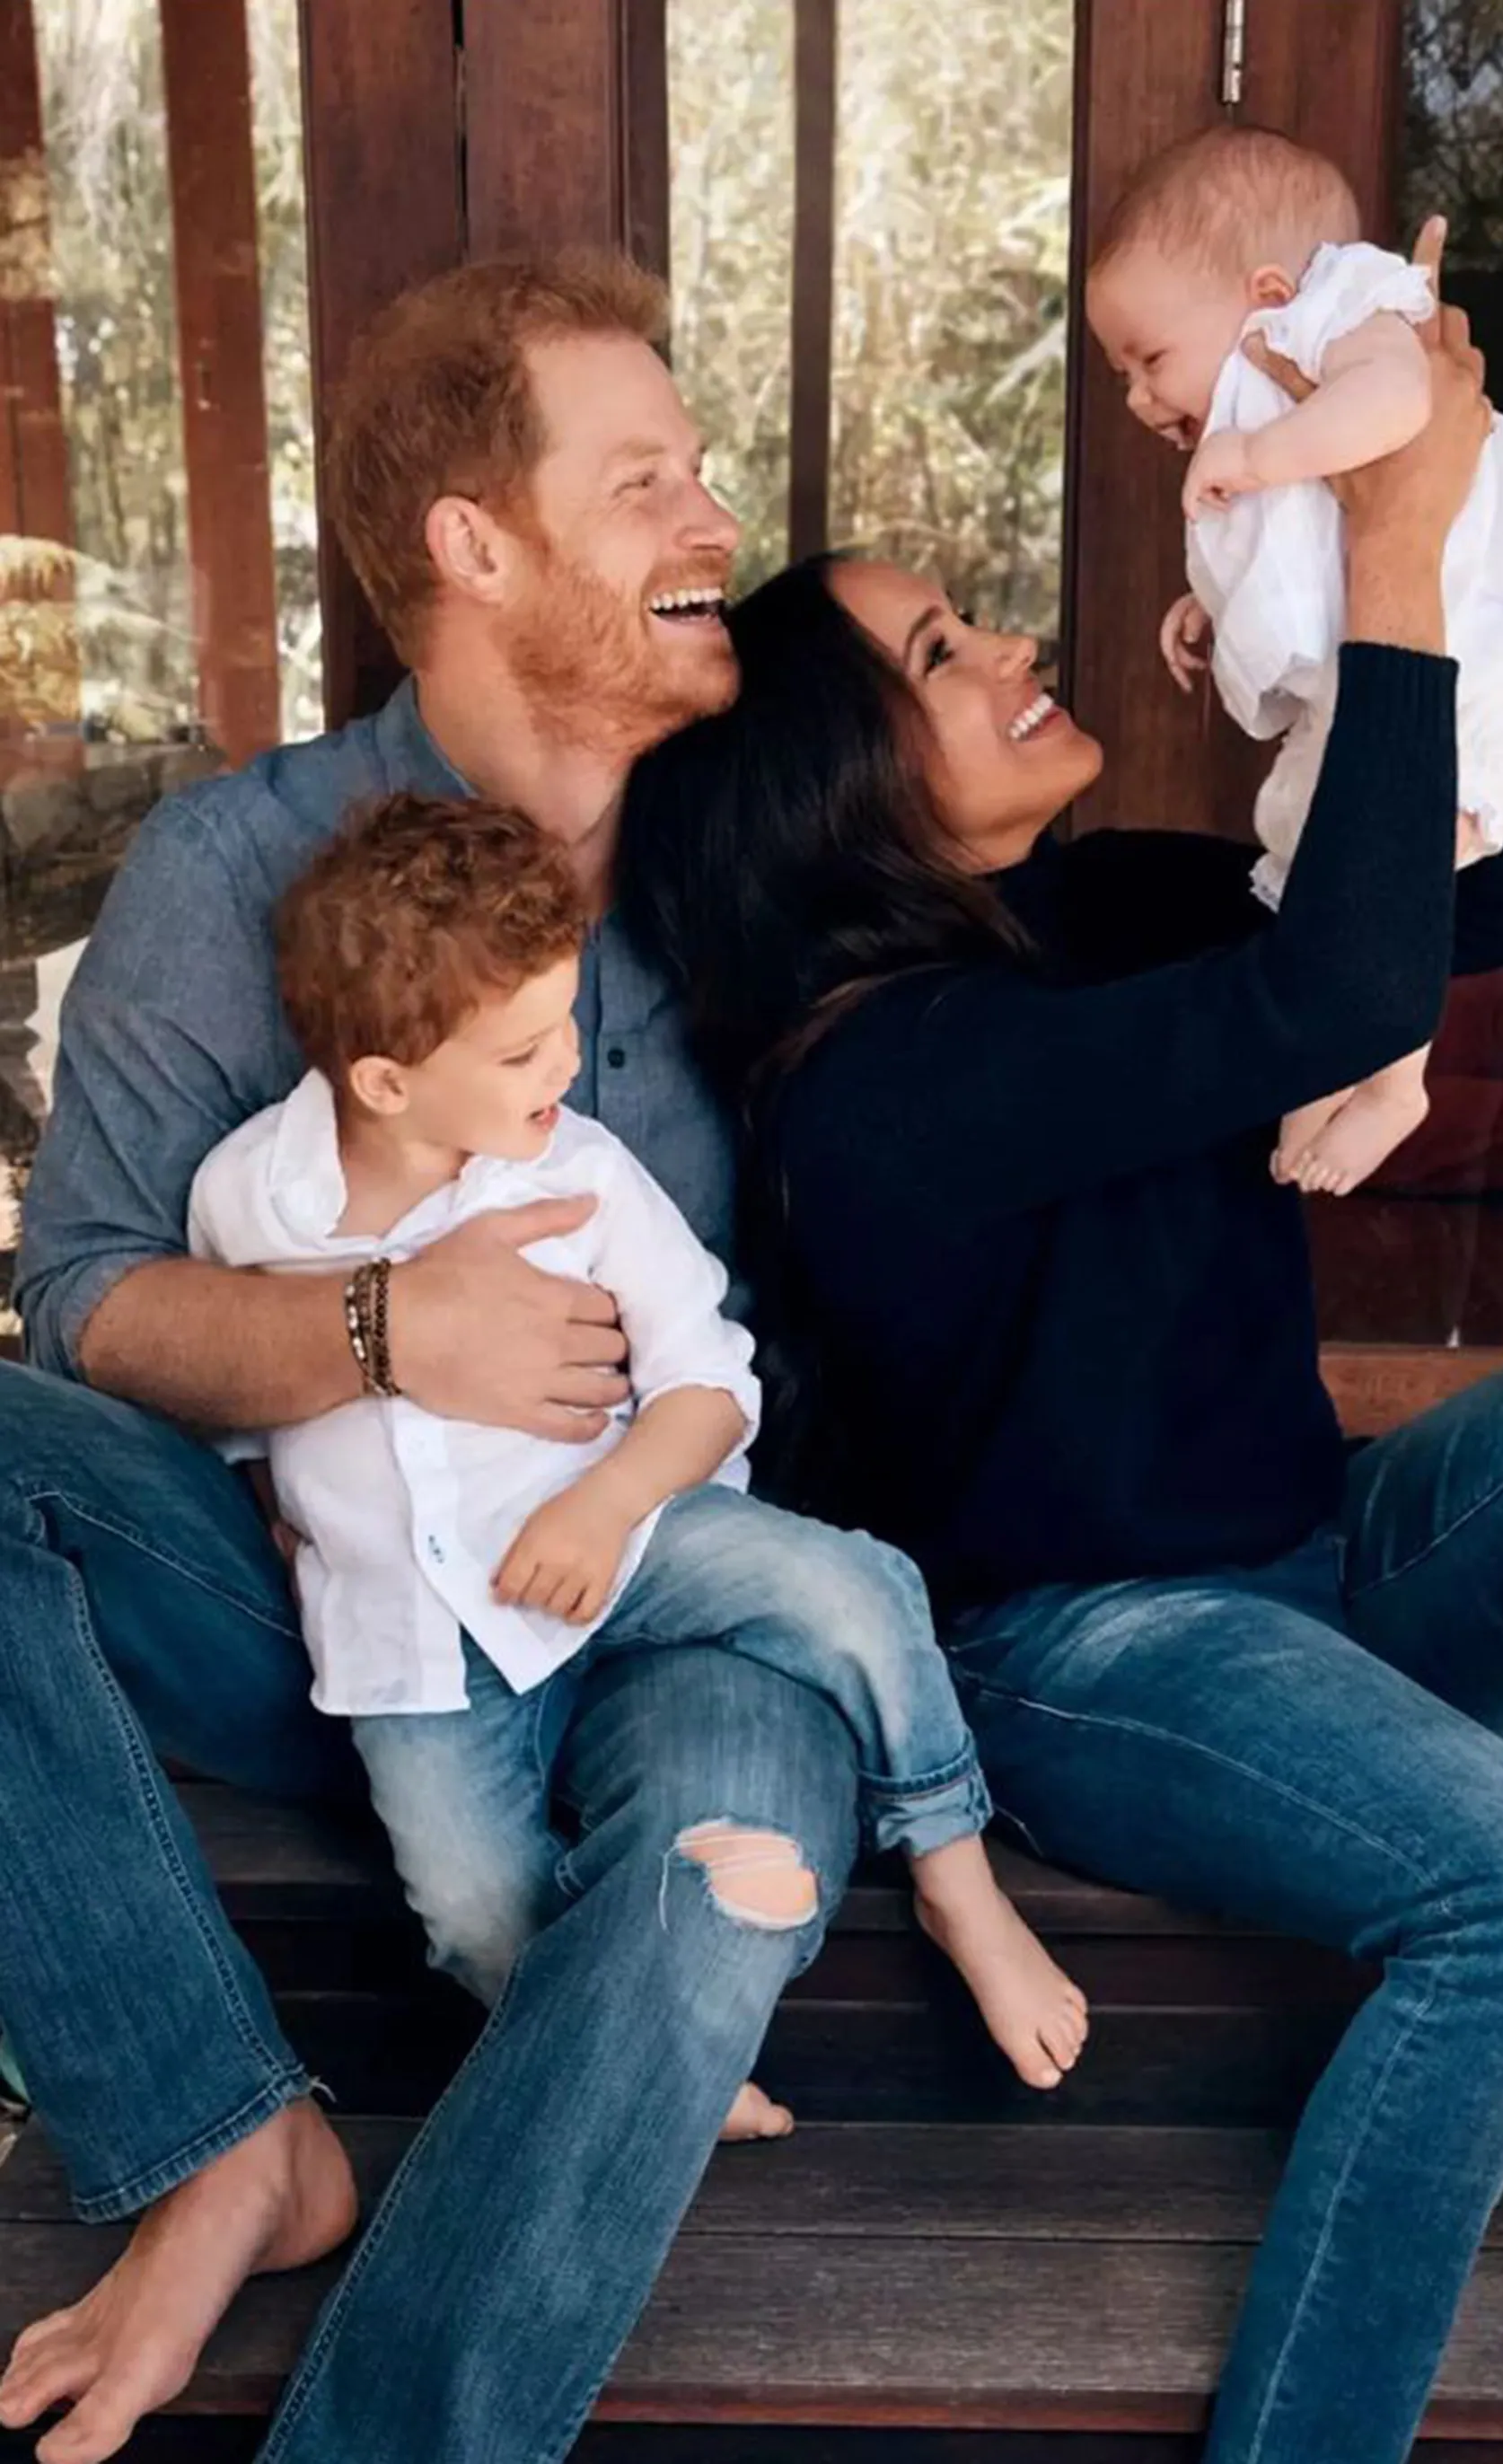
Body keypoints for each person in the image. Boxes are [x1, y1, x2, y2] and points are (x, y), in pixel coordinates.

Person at [620, 277, 1503, 2463]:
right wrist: (1384, 545)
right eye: (933, 660)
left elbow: (1496, 882)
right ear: (822, 786)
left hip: (1327, 1568)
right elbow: (1326, 999)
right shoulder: (865, 1086)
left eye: (967, 618)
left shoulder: (1109, 908)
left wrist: (1328, 710)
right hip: (1092, 1656)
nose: (1002, 652)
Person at [0, 249, 875, 2464]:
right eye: (645, 478)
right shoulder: (238, 867)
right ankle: (217, 2138)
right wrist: (389, 1330)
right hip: (332, 1620)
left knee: (708, 1890)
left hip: (671, 1598)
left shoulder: (744, 854)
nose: (710, 525)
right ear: (475, 549)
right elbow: (86, 1299)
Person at [190, 789, 1086, 2095]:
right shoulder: (248, 1197)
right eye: (520, 1051)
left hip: (631, 1527)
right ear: (386, 1080)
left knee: (857, 1590)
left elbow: (712, 1386)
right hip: (417, 1638)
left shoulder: (583, 1174)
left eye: (566, 1021)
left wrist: (605, 1506)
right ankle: (636, 2048)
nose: (564, 1065)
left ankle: (956, 1875)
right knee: (466, 1903)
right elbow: (236, 1388)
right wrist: (279, 1502)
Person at [1084, 126, 1503, 1194]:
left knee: (1389, 868)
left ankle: (1391, 1078)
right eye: (1121, 377)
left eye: (1150, 360)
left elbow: (1396, 407)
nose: (1141, 400)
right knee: (1314, 860)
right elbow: (1305, 552)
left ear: (1269, 291)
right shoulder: (1273, 398)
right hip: (1368, 682)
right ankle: (1335, 1060)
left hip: (1452, 675)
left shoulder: (1349, 316)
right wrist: (1209, 604)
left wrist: (1255, 452)